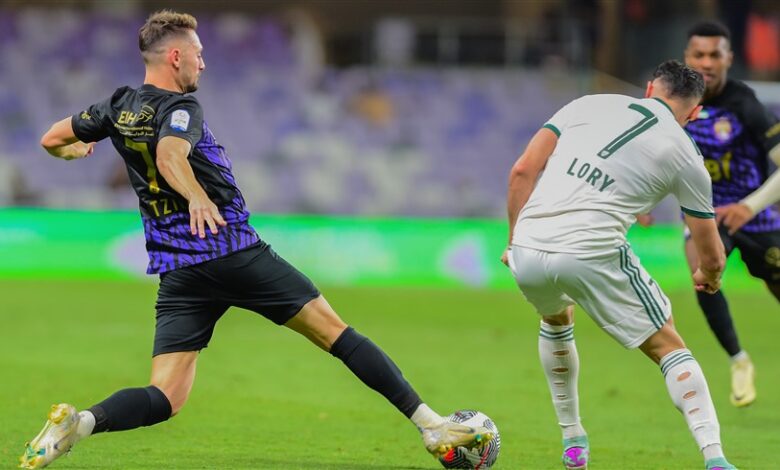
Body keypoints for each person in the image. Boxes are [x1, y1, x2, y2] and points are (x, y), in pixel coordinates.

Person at [19, 10, 492, 469]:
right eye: (198, 54)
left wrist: (72, 152)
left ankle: (79, 425)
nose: (204, 62)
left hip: (179, 270)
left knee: (165, 396)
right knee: (337, 333)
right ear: (176, 57)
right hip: (230, 251)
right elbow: (169, 155)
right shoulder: (181, 108)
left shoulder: (119, 104)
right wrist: (197, 197)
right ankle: (433, 426)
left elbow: (51, 138)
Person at [502, 60, 736, 470]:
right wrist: (709, 274)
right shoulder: (686, 154)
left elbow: (523, 169)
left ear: (649, 89)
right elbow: (711, 250)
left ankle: (573, 439)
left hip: (529, 245)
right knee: (668, 345)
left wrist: (513, 241)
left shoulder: (588, 104)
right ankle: (715, 458)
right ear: (695, 112)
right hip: (590, 250)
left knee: (556, 319)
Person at [682, 20, 780, 408]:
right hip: (705, 212)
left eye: (714, 55)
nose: (706, 63)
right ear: (688, 58)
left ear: (728, 59)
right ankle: (739, 360)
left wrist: (749, 206)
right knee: (702, 274)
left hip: (755, 214)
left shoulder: (746, 104)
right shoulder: (676, 103)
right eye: (699, 55)